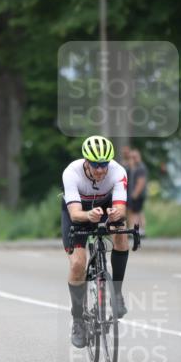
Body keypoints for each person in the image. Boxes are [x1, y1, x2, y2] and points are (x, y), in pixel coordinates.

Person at [61, 135, 131, 348]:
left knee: (121, 234)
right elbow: (74, 214)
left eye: (104, 165)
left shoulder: (118, 172)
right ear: (86, 162)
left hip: (105, 207)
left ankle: (116, 294)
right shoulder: (71, 173)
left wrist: (114, 214)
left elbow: (121, 207)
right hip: (79, 213)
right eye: (96, 165)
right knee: (77, 264)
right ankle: (78, 320)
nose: (101, 170)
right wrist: (89, 215)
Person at [127, 147, 148, 237]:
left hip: (138, 194)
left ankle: (135, 230)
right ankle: (141, 230)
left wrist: (135, 193)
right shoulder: (134, 167)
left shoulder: (140, 168)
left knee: (134, 212)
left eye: (133, 157)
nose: (131, 159)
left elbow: (141, 182)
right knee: (139, 212)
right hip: (136, 194)